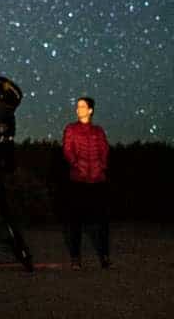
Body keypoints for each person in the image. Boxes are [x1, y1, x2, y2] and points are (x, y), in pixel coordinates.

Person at [62, 96, 110, 269]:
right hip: (78, 181)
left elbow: (105, 150)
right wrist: (77, 166)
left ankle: (104, 256)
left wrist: (101, 168)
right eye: (77, 106)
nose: (78, 109)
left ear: (90, 110)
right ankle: (76, 258)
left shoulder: (98, 131)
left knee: (102, 221)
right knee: (76, 221)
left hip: (98, 181)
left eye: (82, 106)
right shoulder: (71, 129)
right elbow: (67, 150)